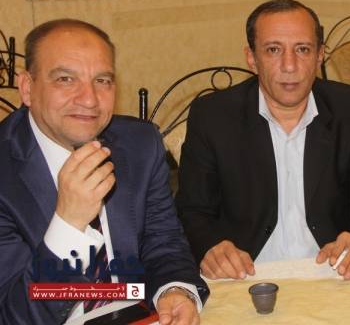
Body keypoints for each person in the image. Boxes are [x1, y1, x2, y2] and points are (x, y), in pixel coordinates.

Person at [0, 19, 209, 324]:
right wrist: (69, 225)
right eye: (65, 79)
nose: (89, 99)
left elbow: (163, 242)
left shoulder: (140, 144)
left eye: (102, 80)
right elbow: (13, 315)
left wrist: (174, 290)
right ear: (27, 88)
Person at [176, 0, 350, 281]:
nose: (289, 65)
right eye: (273, 50)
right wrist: (211, 247)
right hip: (247, 277)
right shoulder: (213, 116)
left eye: (302, 49)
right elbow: (192, 211)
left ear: (319, 55)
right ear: (251, 58)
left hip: (332, 273)